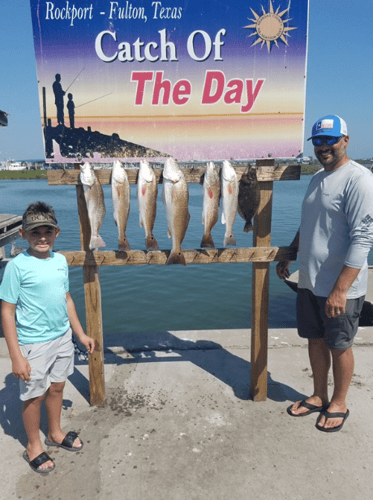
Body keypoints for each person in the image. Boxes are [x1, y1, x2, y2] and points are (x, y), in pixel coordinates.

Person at [277, 115, 373, 433]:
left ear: (345, 140)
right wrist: (290, 253)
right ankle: (318, 395)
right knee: (315, 340)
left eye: (330, 140)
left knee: (339, 344)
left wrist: (341, 289)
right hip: (310, 280)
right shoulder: (318, 178)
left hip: (339, 286)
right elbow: (310, 225)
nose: (323, 147)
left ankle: (339, 402)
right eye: (317, 141)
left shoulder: (359, 179)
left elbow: (363, 238)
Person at [0, 202, 95, 472]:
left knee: (56, 387)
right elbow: (7, 312)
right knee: (34, 396)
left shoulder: (61, 261)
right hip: (34, 342)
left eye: (47, 231)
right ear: (23, 234)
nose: (42, 237)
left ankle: (54, 433)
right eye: (35, 232)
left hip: (63, 337)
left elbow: (66, 299)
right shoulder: (17, 266)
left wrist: (80, 333)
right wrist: (16, 357)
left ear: (56, 233)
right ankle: (33, 445)